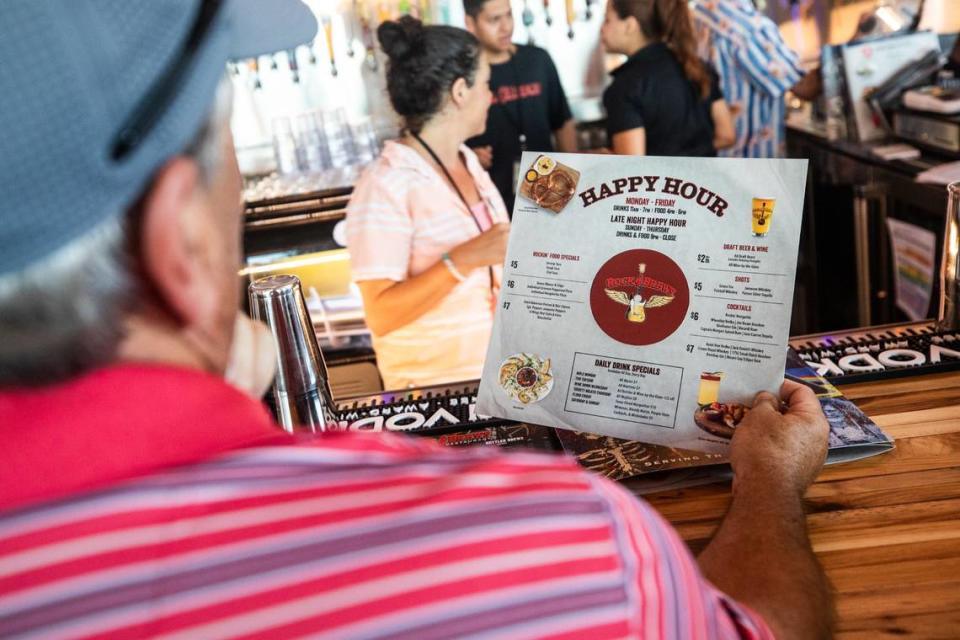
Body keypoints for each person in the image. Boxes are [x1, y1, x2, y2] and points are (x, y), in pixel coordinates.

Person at [0, 2, 832, 639]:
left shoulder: (470, 161)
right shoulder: (571, 543)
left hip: (505, 387)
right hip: (443, 392)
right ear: (178, 242)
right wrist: (769, 480)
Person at [345, 18, 510, 390]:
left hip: (495, 380)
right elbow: (382, 314)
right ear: (460, 91)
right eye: (486, 84)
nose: (491, 95)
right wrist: (463, 259)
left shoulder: (467, 161)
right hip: (436, 394)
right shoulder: (386, 184)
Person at [464, 0, 578, 213]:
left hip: (549, 195)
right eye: (494, 19)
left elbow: (562, 122)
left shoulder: (537, 60)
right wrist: (469, 156)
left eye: (509, 15)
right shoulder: (465, 75)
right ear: (470, 23)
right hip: (493, 202)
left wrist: (574, 185)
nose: (506, 26)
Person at [600, 0, 735, 157]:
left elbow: (632, 165)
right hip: (707, 181)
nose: (602, 29)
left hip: (660, 181)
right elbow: (727, 136)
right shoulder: (697, 67)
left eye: (607, 20)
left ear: (630, 25)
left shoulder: (625, 86)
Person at [692, 0, 806, 157]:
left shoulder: (698, 15)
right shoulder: (748, 26)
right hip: (750, 166)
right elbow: (805, 88)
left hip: (716, 165)